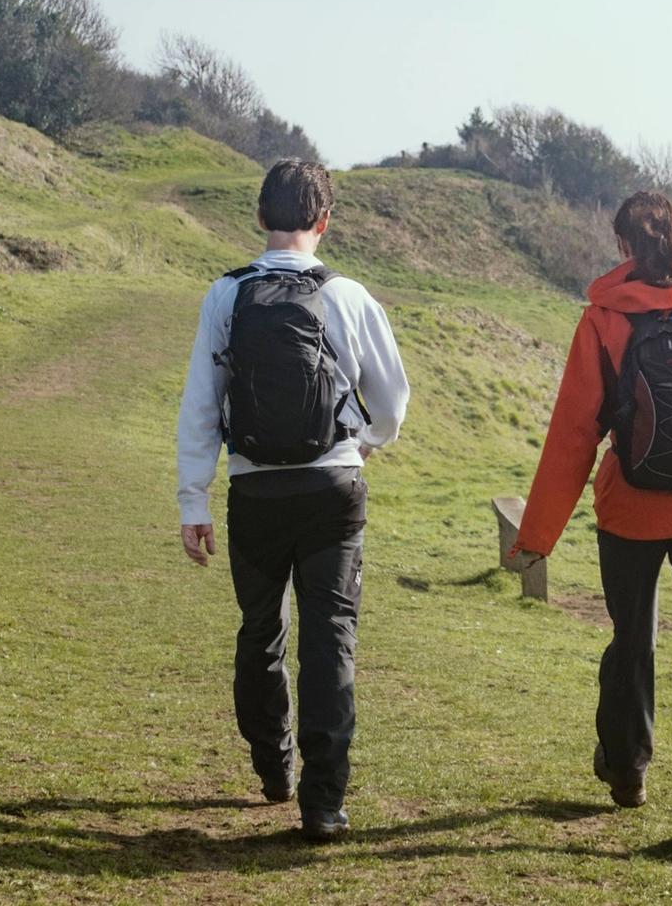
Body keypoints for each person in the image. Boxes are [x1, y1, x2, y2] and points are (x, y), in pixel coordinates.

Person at [508, 189, 672, 856]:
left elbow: (571, 437)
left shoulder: (602, 321)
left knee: (632, 639)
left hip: (629, 508)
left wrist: (535, 539)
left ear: (623, 248)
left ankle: (625, 771)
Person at [176, 159, 410, 842]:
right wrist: (365, 441)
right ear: (324, 221)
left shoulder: (225, 296)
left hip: (253, 489)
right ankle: (324, 804)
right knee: (330, 641)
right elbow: (393, 400)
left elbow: (200, 405)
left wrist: (194, 500)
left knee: (261, 632)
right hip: (332, 487)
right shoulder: (349, 296)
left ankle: (272, 765)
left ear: (259, 217)